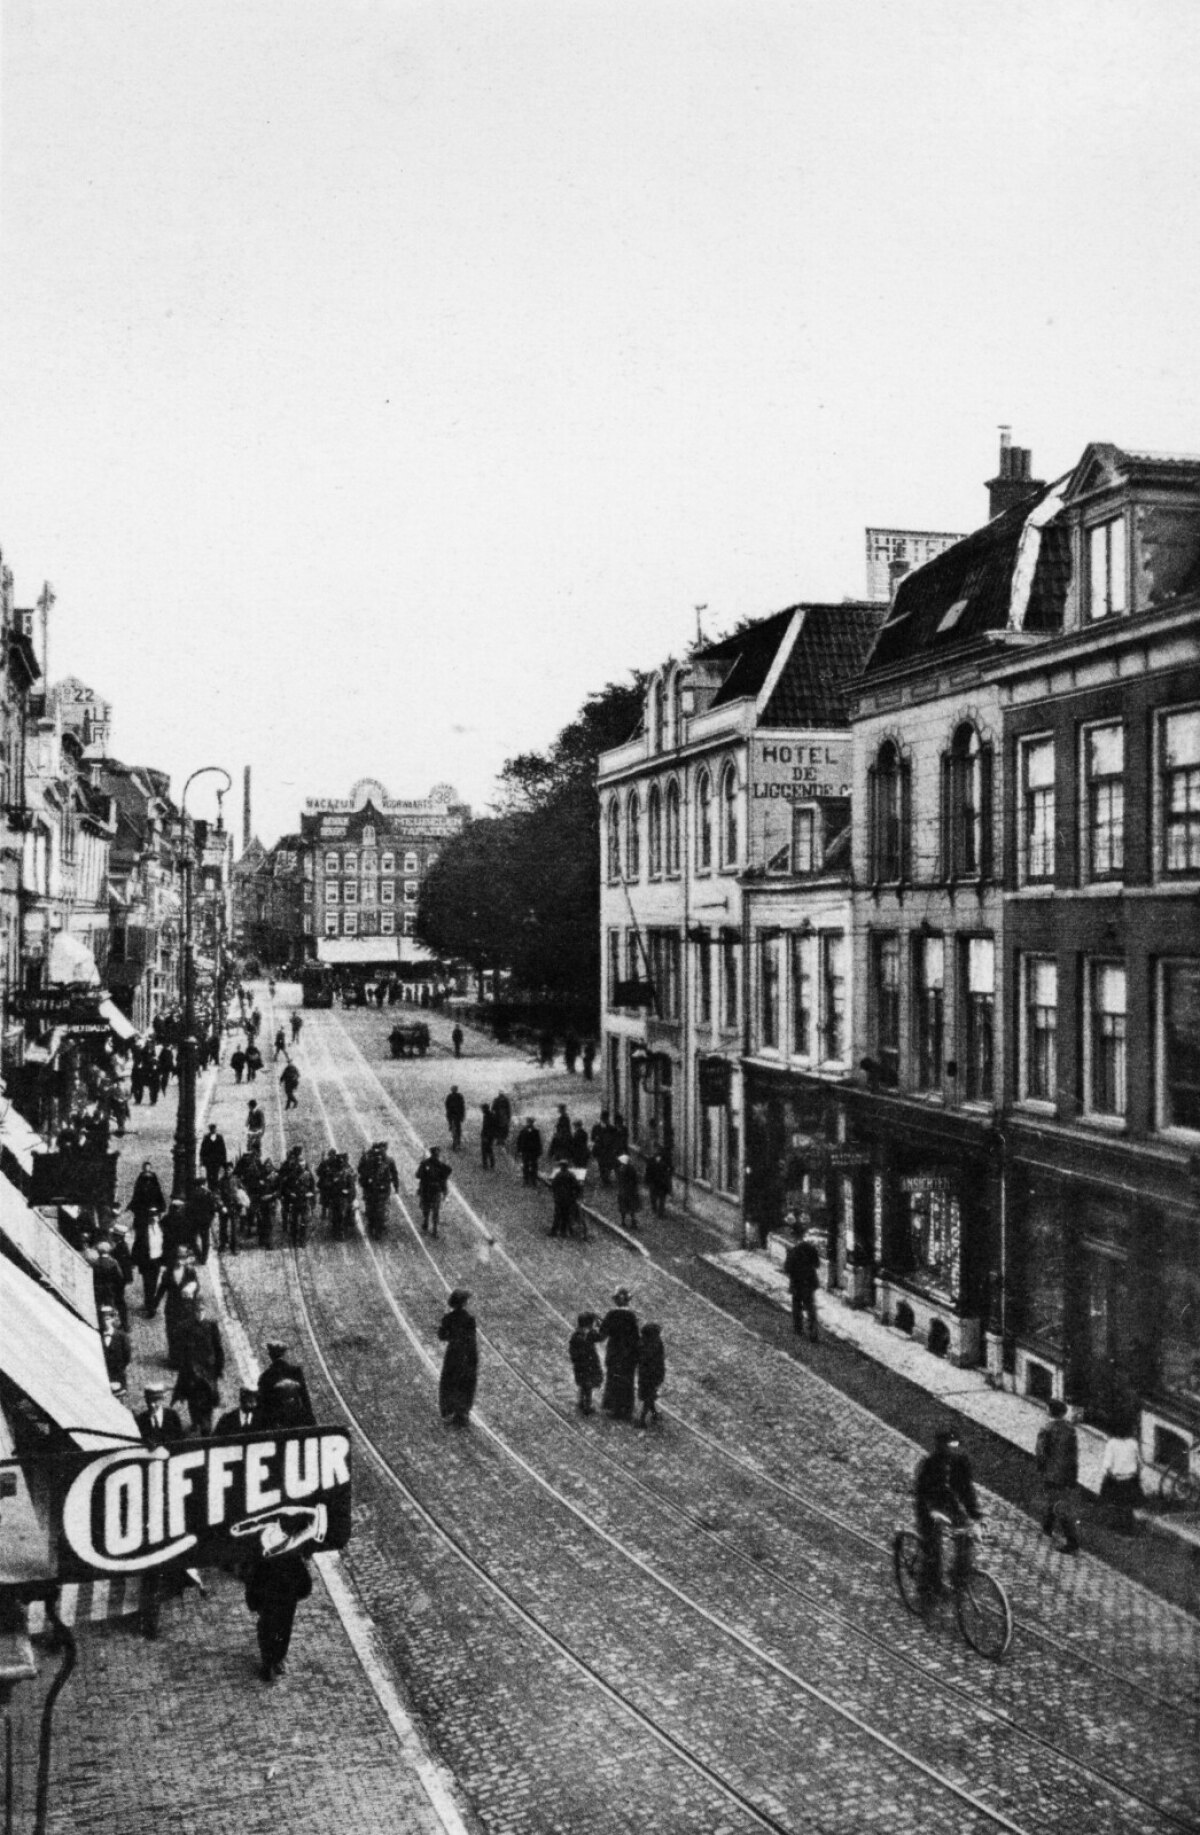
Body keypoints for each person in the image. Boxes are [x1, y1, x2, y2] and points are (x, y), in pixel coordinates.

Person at [913, 1427, 982, 1593]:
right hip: (929, 1506)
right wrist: (932, 1512)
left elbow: (966, 1490)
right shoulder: (929, 1463)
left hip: (949, 1504)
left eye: (955, 1446)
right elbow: (922, 1492)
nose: (952, 1449)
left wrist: (975, 1514)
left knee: (966, 1536)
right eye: (948, 1446)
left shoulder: (961, 1463)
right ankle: (928, 1581)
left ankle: (959, 1576)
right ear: (940, 1446)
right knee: (933, 1545)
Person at [245, 1547, 313, 1681]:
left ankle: (268, 1662)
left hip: (269, 1602)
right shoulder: (292, 1558)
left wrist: (253, 1602)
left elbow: (252, 1581)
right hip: (285, 1602)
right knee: (282, 1631)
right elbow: (305, 1584)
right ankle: (276, 1660)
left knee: (267, 1630)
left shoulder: (263, 1558)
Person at [172, 1294, 225, 1436]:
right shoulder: (186, 1326)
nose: (199, 1313)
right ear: (193, 1311)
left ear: (205, 1310)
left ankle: (206, 1425)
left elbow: (218, 1348)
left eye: (202, 1310)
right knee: (192, 1398)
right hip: (192, 1371)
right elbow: (181, 1349)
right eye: (197, 1310)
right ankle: (195, 1421)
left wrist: (219, 1368)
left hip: (208, 1371)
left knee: (209, 1397)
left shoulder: (212, 1326)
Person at [1036, 1399, 1081, 1555]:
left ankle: (1072, 1541)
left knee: (1059, 1505)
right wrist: (1074, 1475)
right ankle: (1047, 1528)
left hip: (1052, 1473)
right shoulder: (1070, 1430)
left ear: (1049, 1411)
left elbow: (1041, 1453)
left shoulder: (1046, 1429)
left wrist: (1042, 1469)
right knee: (1055, 1500)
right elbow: (1074, 1455)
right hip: (1067, 1473)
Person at [597, 1289, 640, 1420]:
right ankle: (626, 1409)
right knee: (627, 1380)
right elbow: (636, 1336)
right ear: (628, 1300)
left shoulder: (611, 1314)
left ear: (616, 1301)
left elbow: (603, 1333)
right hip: (628, 1353)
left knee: (613, 1378)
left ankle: (614, 1408)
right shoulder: (632, 1316)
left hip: (615, 1352)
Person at [437, 1289, 478, 1425]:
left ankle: (449, 1409)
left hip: (453, 1353)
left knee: (450, 1380)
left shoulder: (448, 1318)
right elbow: (471, 1339)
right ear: (464, 1303)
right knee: (465, 1382)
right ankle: (462, 1411)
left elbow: (442, 1336)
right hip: (466, 1353)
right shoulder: (469, 1319)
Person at [257, 1341, 315, 1426]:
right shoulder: (295, 1371)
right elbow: (305, 1397)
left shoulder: (265, 1376)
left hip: (279, 1421)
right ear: (284, 1353)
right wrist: (310, 1419)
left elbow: (264, 1404)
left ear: (270, 1355)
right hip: (298, 1417)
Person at [1099, 1421, 1142, 1535]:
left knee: (1115, 1503)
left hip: (1116, 1479)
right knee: (1128, 1504)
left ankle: (1117, 1525)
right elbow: (1139, 1463)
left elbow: (1107, 1465)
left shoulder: (1112, 1443)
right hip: (1130, 1479)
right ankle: (1128, 1526)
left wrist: (1108, 1476)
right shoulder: (1133, 1443)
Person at [783, 1234, 821, 1342]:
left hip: (797, 1284)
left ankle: (798, 1328)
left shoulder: (793, 1251)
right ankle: (813, 1332)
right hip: (809, 1283)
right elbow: (817, 1264)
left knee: (796, 1306)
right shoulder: (812, 1250)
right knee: (810, 1308)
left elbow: (787, 1268)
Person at [568, 1313, 602, 1415]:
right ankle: (587, 1406)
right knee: (588, 1386)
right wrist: (601, 1325)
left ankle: (581, 1402)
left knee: (584, 1385)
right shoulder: (589, 1335)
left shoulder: (576, 1335)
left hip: (580, 1365)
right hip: (589, 1364)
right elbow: (601, 1337)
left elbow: (572, 1350)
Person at [416, 1146, 451, 1236]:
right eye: (435, 1154)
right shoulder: (426, 1164)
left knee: (434, 1210)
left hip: (434, 1190)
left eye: (437, 1154)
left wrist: (444, 1191)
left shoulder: (439, 1165)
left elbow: (445, 1177)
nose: (436, 1156)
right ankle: (427, 1222)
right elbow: (418, 1175)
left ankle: (434, 1228)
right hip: (428, 1190)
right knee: (429, 1209)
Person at [636, 1322, 665, 1427]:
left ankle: (654, 1413)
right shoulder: (657, 1343)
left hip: (643, 1373)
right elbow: (659, 1359)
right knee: (650, 1396)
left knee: (648, 1394)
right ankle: (642, 1419)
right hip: (654, 1374)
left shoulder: (641, 1343)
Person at [99, 1305, 131, 1395]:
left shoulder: (122, 1337)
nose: (105, 1322)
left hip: (117, 1376)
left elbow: (127, 1357)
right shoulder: (97, 1335)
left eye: (107, 1319)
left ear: (112, 1319)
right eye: (102, 1320)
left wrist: (119, 1369)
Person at [549, 1161, 579, 1237]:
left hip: (559, 1197)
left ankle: (554, 1231)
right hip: (568, 1198)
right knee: (566, 1214)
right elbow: (576, 1186)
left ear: (561, 1167)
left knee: (557, 1215)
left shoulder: (558, 1175)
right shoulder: (571, 1175)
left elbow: (553, 1185)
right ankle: (563, 1231)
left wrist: (555, 1193)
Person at [199, 1123, 228, 1192]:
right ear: (210, 1129)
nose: (213, 1130)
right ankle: (210, 1189)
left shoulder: (219, 1137)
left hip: (217, 1161)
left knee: (215, 1175)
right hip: (209, 1161)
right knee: (209, 1175)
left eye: (214, 1128)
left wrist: (223, 1161)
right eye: (212, 1129)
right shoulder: (206, 1137)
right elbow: (203, 1149)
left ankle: (215, 1189)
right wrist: (202, 1160)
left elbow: (223, 1150)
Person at [644, 1147, 672, 1219]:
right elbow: (647, 1172)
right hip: (654, 1184)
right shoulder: (651, 1162)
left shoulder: (664, 1164)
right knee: (653, 1198)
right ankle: (655, 1209)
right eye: (657, 1157)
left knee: (662, 1199)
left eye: (659, 1157)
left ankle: (660, 1213)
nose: (658, 1158)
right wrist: (647, 1181)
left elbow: (667, 1174)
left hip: (661, 1185)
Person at [615, 1155, 641, 1231]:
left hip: (626, 1191)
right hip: (628, 1191)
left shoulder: (624, 1169)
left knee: (626, 1206)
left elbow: (622, 1180)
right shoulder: (629, 1168)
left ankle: (627, 1222)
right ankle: (630, 1222)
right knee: (629, 1207)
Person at [591, 1111, 617, 1187]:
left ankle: (606, 1178)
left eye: (606, 1118)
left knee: (608, 1165)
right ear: (601, 1118)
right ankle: (604, 1180)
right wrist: (596, 1138)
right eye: (603, 1118)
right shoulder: (596, 1127)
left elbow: (614, 1138)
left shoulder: (612, 1128)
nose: (604, 1119)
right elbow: (592, 1138)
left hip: (608, 1150)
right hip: (599, 1150)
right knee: (601, 1165)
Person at [516, 1117, 543, 1187]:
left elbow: (538, 1142)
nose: (529, 1123)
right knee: (525, 1166)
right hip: (525, 1151)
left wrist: (539, 1151)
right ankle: (526, 1181)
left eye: (531, 1122)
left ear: (532, 1123)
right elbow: (519, 1141)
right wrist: (519, 1150)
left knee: (534, 1166)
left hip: (533, 1152)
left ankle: (533, 1181)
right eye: (528, 1122)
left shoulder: (536, 1131)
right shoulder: (523, 1131)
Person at [444, 1085, 466, 1149]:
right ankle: (456, 1142)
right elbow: (462, 1107)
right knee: (456, 1129)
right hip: (455, 1116)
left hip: (454, 1116)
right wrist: (462, 1115)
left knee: (455, 1129)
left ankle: (456, 1142)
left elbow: (447, 1106)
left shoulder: (450, 1096)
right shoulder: (459, 1096)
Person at [480, 1103, 498, 1170]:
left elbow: (488, 1128)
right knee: (489, 1150)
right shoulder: (488, 1115)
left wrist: (485, 1136)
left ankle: (486, 1165)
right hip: (489, 1136)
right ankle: (491, 1165)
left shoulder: (488, 1116)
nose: (481, 1110)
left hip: (487, 1136)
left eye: (482, 1109)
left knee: (485, 1150)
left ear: (485, 1109)